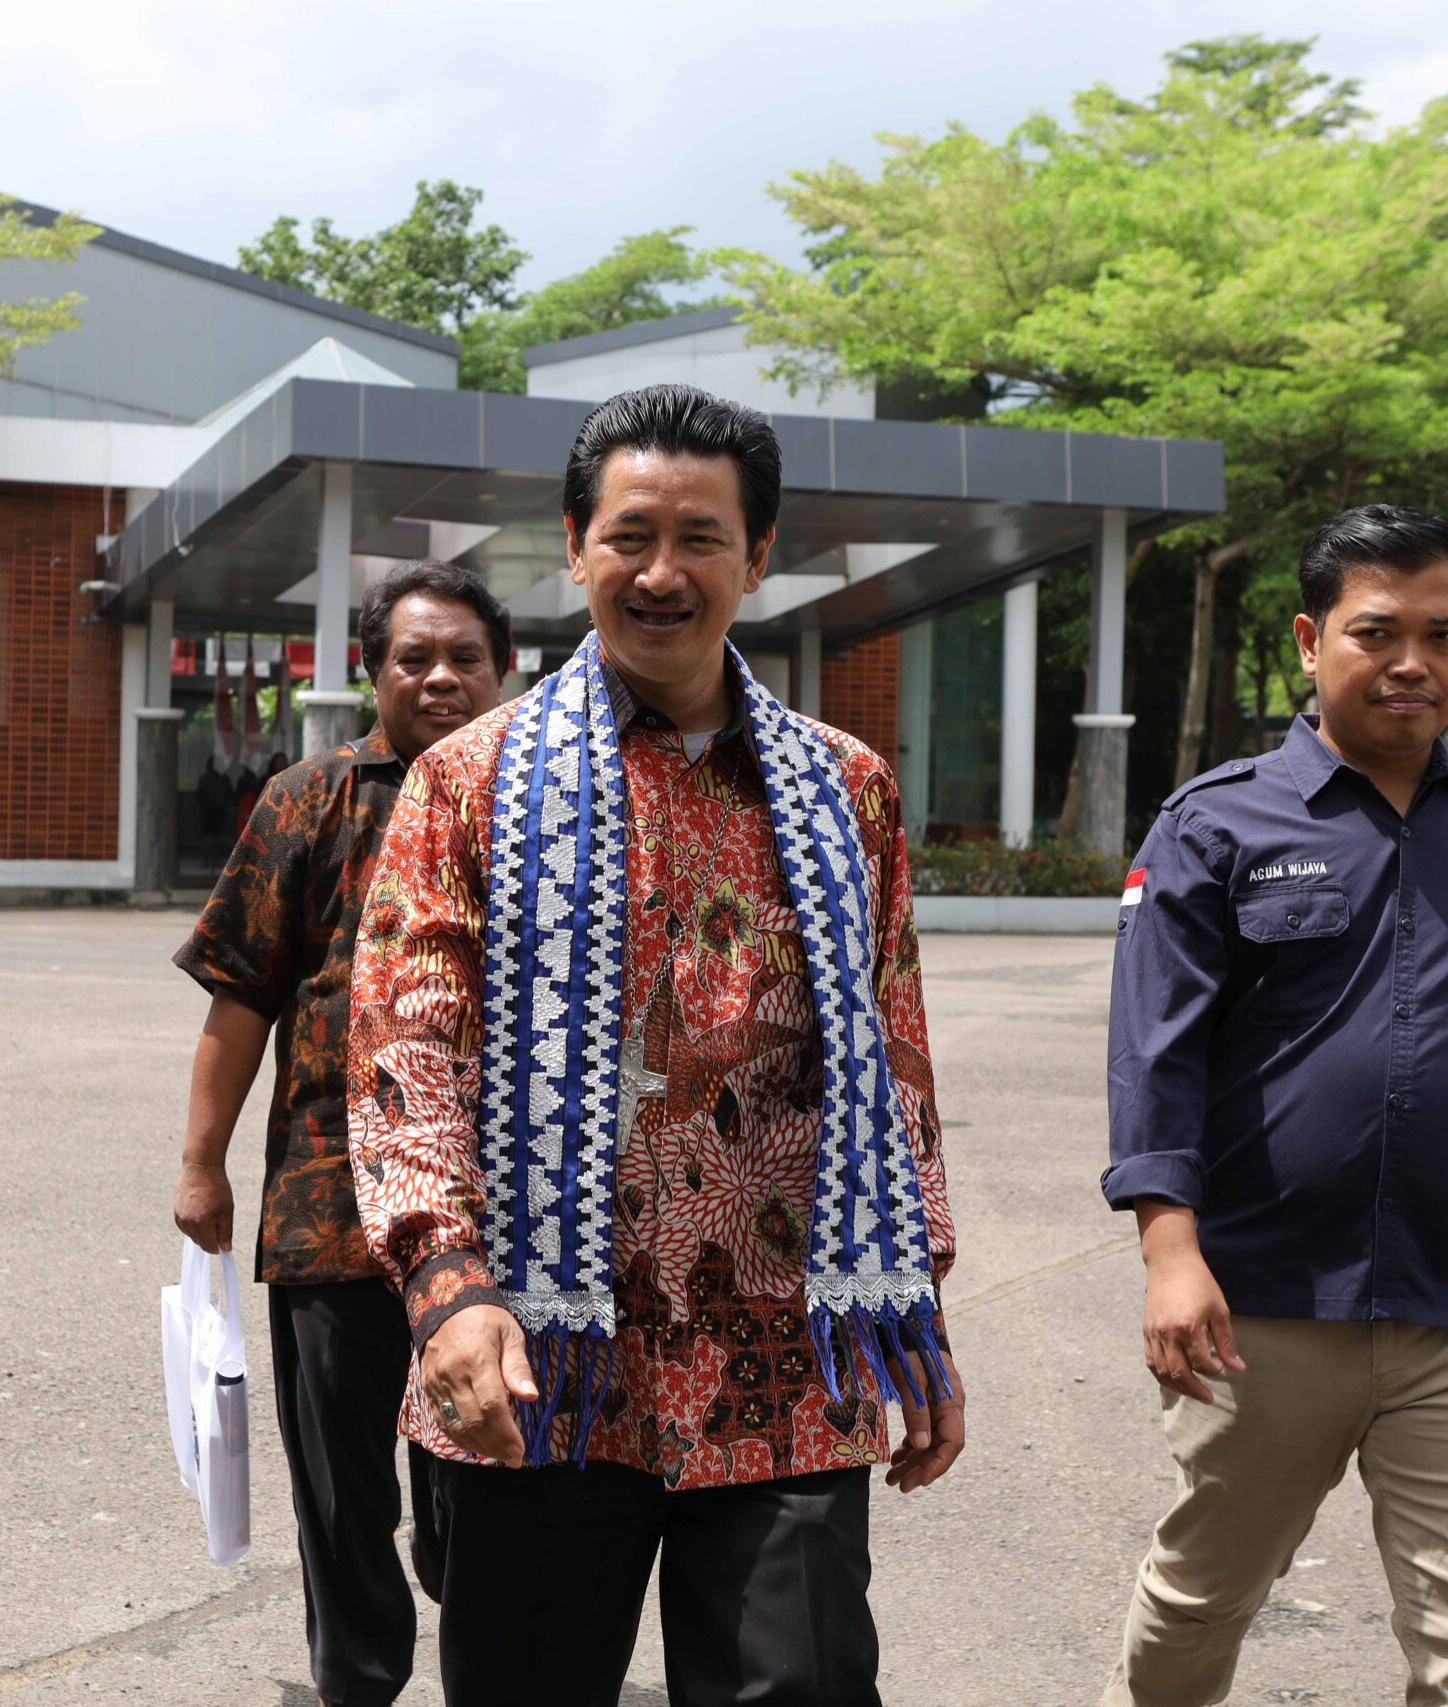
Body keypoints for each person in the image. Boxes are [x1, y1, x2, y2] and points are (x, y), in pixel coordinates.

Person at [347, 385, 966, 1707]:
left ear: (759, 556)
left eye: (701, 536)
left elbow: (895, 1057)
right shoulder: (466, 781)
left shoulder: (847, 789)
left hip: (784, 1376)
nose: (662, 571)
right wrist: (446, 1283)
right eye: (630, 533)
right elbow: (408, 1056)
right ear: (575, 546)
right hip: (537, 1370)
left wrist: (914, 1303)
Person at [1100, 505, 1448, 1707]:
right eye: (1376, 632)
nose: (1410, 664)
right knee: (1199, 1606)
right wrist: (1168, 1251)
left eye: (1443, 635)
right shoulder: (1215, 826)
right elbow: (1154, 1059)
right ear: (1307, 638)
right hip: (1266, 1302)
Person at [172, 560, 512, 1707]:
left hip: (488, 1210)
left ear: (503, 670)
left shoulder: (535, 806)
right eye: (414, 658)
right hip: (326, 1204)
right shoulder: (307, 801)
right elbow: (241, 992)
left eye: (465, 657)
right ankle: (357, 1678)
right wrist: (199, 1162)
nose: (441, 679)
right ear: (373, 672)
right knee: (338, 1486)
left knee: (479, 1471)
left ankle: (469, 1624)